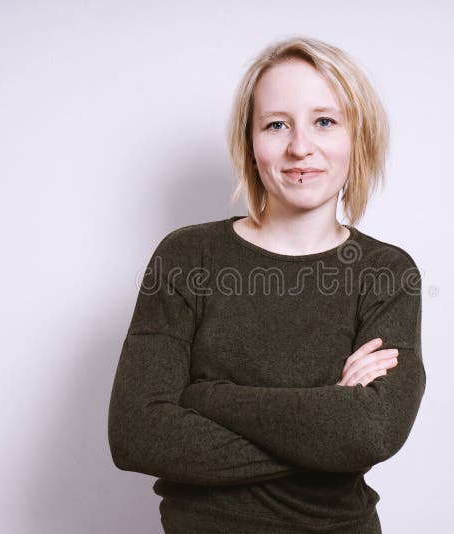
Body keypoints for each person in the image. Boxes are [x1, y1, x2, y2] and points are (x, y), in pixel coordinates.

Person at [108, 35, 426, 534]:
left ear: (356, 137)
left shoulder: (386, 272)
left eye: (325, 121)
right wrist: (325, 424)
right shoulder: (188, 257)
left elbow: (370, 430)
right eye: (277, 124)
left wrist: (205, 396)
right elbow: (136, 433)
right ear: (250, 142)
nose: (301, 146)